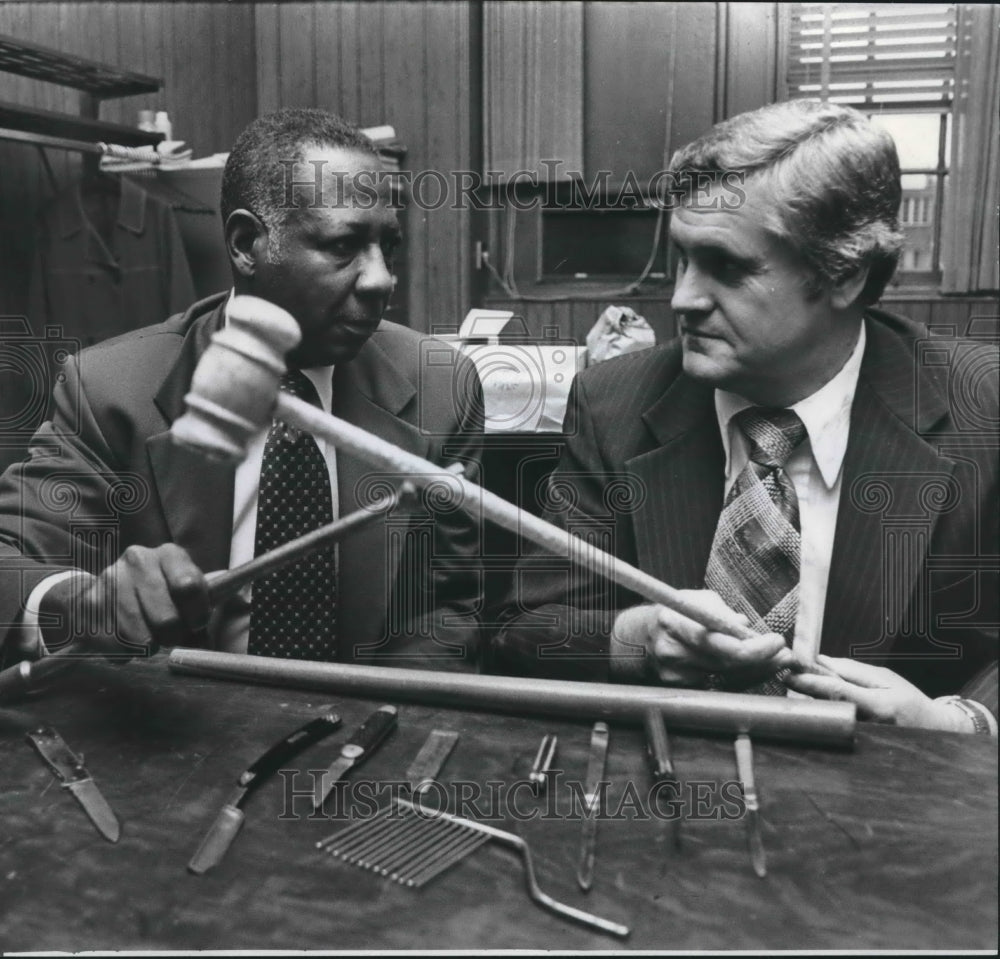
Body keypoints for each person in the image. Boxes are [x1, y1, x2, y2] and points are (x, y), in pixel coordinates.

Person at [491, 99, 998, 733]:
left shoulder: (983, 412)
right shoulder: (613, 403)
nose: (682, 298)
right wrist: (635, 640)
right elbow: (524, 631)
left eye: (727, 268)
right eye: (682, 258)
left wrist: (960, 724)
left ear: (846, 274)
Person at [0, 108, 484, 670]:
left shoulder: (440, 389)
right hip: (179, 727)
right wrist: (78, 603)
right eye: (343, 246)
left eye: (388, 248)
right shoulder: (110, 390)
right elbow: (9, 561)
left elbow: (448, 612)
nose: (380, 280)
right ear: (247, 244)